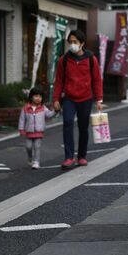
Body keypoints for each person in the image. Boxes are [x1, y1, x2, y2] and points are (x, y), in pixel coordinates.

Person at [53, 30, 103, 169]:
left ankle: (82, 156)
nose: (72, 45)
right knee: (67, 123)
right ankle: (69, 157)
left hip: (86, 98)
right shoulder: (64, 60)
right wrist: (56, 99)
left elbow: (97, 80)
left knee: (83, 128)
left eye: (75, 42)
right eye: (70, 42)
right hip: (69, 98)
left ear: (82, 43)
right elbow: (59, 81)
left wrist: (99, 99)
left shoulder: (91, 59)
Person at [18, 87, 56, 170]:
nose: (38, 98)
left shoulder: (43, 108)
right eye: (36, 96)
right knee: (28, 147)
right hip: (28, 132)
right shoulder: (25, 108)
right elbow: (22, 119)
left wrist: (55, 111)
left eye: (40, 96)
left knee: (37, 147)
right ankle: (30, 158)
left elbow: (49, 115)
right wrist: (21, 129)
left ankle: (36, 162)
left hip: (39, 131)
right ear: (31, 97)